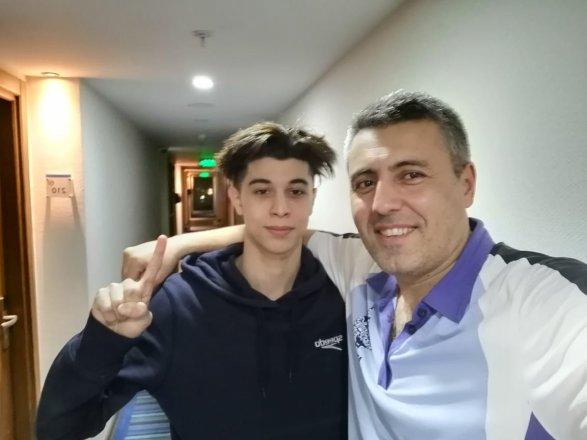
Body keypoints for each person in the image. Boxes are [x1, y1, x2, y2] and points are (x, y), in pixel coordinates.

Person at [124, 91, 587, 440]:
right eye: (366, 182)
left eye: (411, 174)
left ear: (465, 183)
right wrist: (175, 245)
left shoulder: (550, 305)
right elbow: (284, 229)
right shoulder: (362, 266)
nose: (382, 204)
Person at [36, 122, 348, 439]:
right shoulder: (178, 306)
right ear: (237, 198)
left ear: (312, 198)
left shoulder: (342, 294)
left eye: (296, 192)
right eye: (262, 191)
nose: (281, 209)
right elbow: (60, 428)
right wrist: (101, 340)